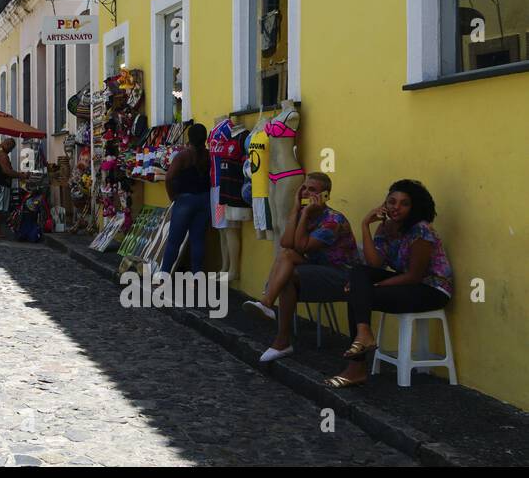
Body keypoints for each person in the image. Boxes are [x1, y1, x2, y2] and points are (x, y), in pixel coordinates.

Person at [325, 179, 453, 389]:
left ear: (415, 207)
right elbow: (374, 264)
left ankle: (356, 368)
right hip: (406, 285)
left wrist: (372, 288)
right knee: (359, 275)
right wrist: (365, 225)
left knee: (358, 294)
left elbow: (414, 276)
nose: (396, 207)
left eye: (404, 203)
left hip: (431, 289)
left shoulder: (421, 231)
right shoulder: (385, 229)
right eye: (392, 202)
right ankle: (363, 335)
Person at [241, 172, 359, 362]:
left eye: (312, 190)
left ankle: (276, 327)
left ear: (325, 196)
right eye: (304, 187)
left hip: (343, 277)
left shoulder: (333, 220)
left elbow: (302, 246)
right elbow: (287, 243)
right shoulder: (306, 214)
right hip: (317, 270)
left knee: (289, 269)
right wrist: (296, 209)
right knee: (286, 259)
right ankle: (272, 318)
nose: (305, 192)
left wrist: (303, 214)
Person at [159, 123, 212, 273]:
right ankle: (197, 276)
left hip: (185, 200)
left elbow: (169, 178)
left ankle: (164, 274)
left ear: (189, 138)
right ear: (205, 138)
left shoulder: (183, 156)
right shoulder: (208, 155)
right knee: (198, 240)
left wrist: (172, 196)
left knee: (174, 240)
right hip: (204, 199)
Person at [0, 137, 25, 239]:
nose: (10, 151)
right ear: (7, 144)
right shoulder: (2, 155)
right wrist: (21, 175)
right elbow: (6, 171)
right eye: (11, 148)